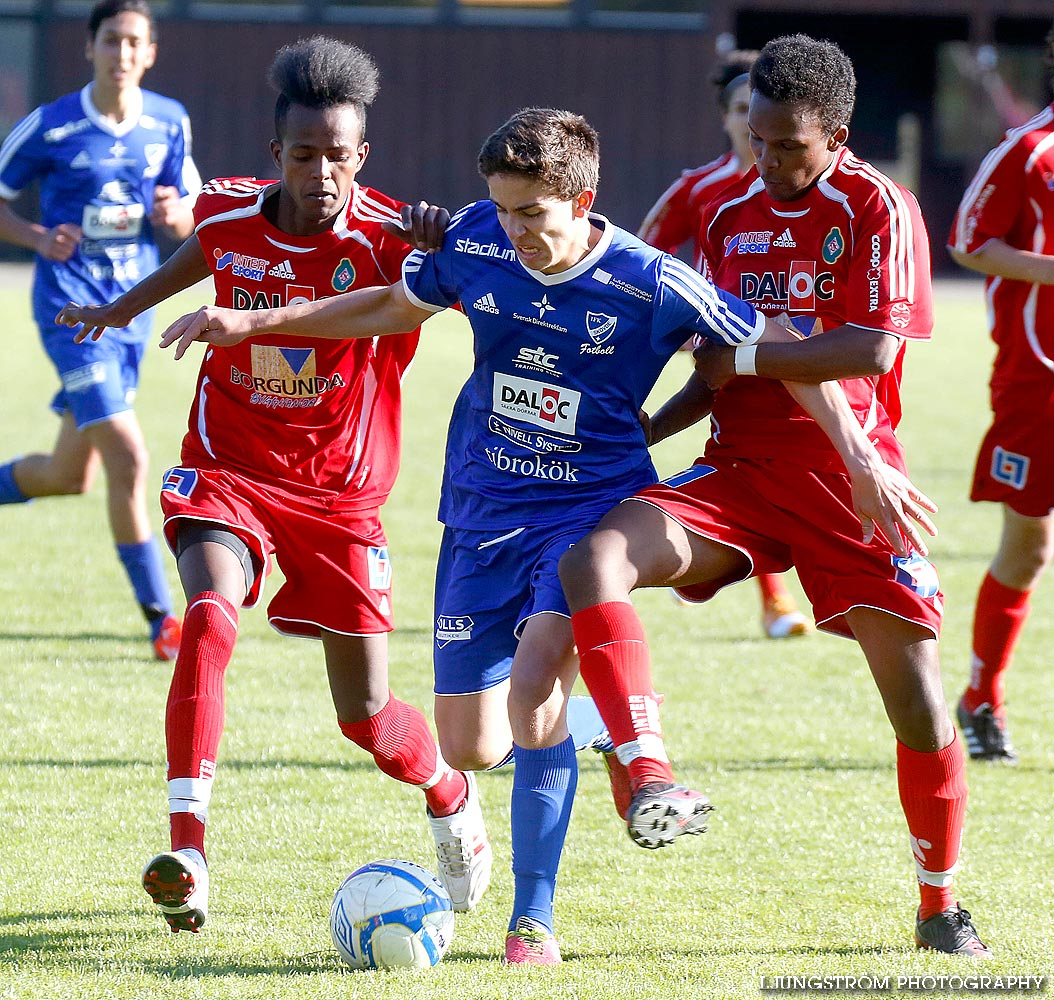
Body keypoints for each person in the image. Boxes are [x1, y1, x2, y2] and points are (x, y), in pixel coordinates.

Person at [156, 106, 928, 964]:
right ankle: (599, 721)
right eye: (503, 208)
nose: (515, 230)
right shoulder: (480, 239)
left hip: (587, 510)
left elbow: (774, 344)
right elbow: (390, 304)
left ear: (582, 197)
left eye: (534, 214)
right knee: (471, 744)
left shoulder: (652, 282)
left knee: (530, 702)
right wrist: (256, 321)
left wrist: (859, 457)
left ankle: (536, 918)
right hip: (479, 513)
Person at [557, 35, 992, 958]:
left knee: (917, 704)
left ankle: (940, 904)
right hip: (742, 478)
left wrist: (748, 356)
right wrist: (650, 429)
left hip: (850, 482)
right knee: (595, 557)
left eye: (791, 146)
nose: (770, 162)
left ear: (836, 135)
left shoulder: (880, 207)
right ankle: (646, 769)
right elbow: (715, 369)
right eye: (759, 141)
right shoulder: (727, 213)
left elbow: (871, 349)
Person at [56, 36, 493, 935]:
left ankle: (448, 792)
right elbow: (202, 256)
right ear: (276, 153)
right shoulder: (227, 219)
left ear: (361, 155)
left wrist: (442, 244)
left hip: (342, 502)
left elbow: (485, 268)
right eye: (304, 155)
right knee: (212, 613)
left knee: (368, 720)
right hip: (230, 475)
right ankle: (190, 848)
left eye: (338, 155)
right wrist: (120, 309)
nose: (321, 172)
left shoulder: (387, 242)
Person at [0, 0, 200, 660]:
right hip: (68, 315)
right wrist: (33, 235)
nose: (121, 53)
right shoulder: (51, 126)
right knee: (130, 457)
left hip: (130, 317)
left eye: (132, 42)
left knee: (68, 474)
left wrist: (176, 215)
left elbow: (188, 207)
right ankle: (162, 618)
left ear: (149, 53)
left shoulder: (169, 123)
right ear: (90, 48)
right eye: (110, 40)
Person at [638, 47, 812, 640]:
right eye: (740, 110)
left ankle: (762, 591)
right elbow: (642, 261)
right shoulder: (701, 191)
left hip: (797, 365)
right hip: (720, 359)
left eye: (755, 109)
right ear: (728, 118)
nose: (748, 123)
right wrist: (689, 322)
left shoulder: (818, 194)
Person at [946, 23, 1054, 764]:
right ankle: (983, 694)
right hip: (1037, 379)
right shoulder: (1026, 152)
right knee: (1029, 546)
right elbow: (967, 242)